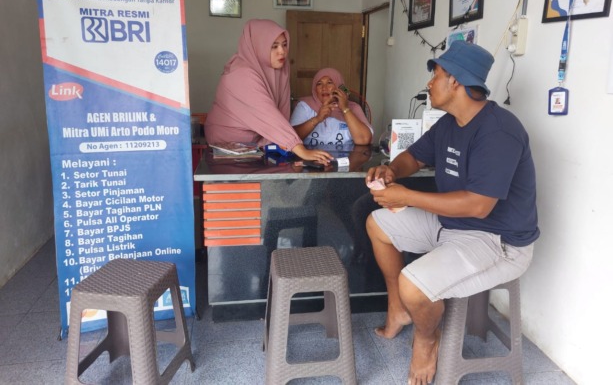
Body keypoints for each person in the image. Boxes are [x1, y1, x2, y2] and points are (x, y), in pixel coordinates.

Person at [364, 40, 539, 385]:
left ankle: (427, 339)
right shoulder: (448, 124)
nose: (429, 83)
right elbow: (413, 157)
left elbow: (478, 205)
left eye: (436, 75)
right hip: (454, 226)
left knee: (414, 285)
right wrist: (391, 171)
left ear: (455, 81)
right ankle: (397, 307)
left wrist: (407, 196)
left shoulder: (499, 130)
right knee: (377, 224)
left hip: (498, 241)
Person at [205, 19, 333, 164]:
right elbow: (268, 114)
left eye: (284, 45)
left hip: (254, 145)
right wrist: (300, 149)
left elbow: (282, 110)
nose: (282, 51)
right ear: (259, 46)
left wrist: (284, 144)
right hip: (225, 145)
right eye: (274, 46)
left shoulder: (281, 68)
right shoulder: (241, 74)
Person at [290, 68, 372, 146]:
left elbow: (364, 140)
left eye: (329, 83)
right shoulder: (304, 106)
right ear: (315, 89)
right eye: (319, 84)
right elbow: (290, 138)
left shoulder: (353, 108)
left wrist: (345, 109)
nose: (324, 88)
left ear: (339, 87)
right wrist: (317, 119)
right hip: (310, 155)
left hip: (345, 156)